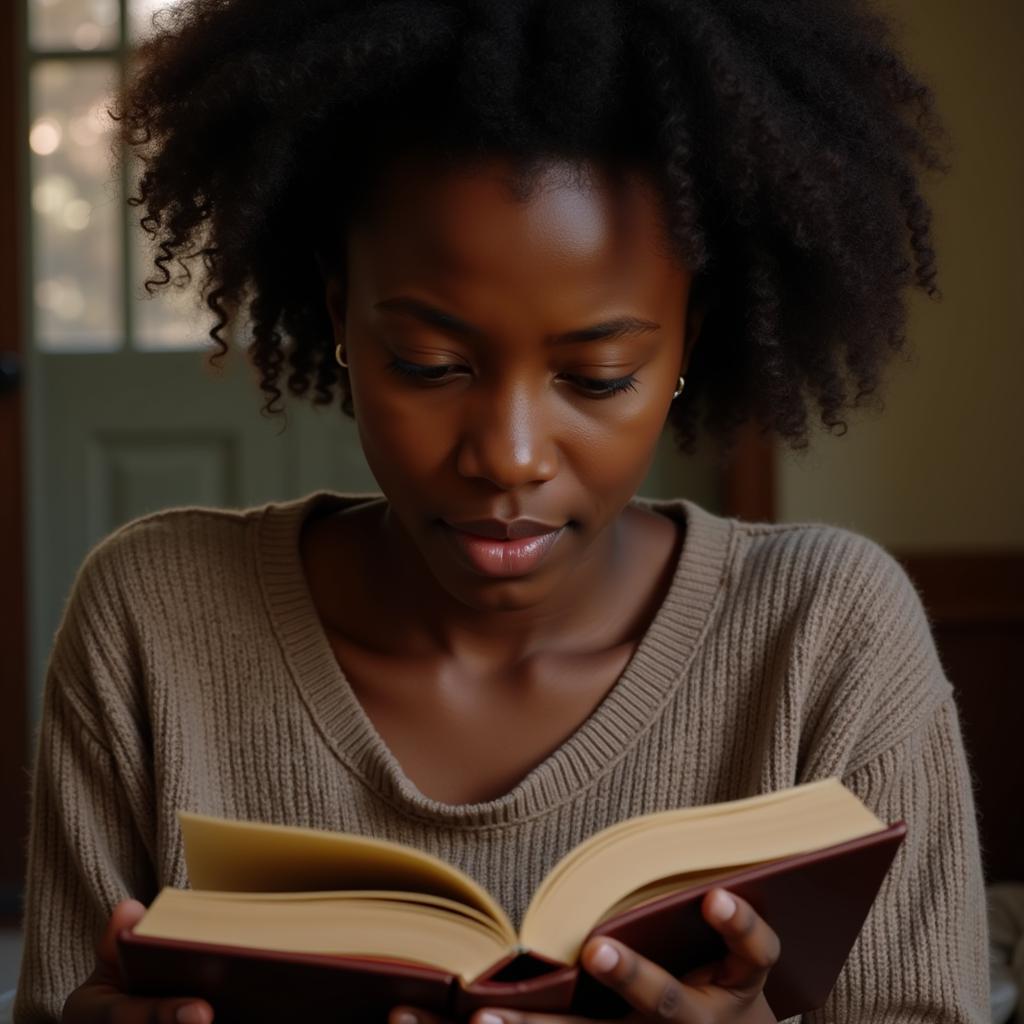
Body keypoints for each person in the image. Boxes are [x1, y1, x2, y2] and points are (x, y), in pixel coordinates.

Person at [13, 1, 989, 1022]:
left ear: (687, 342)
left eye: (598, 376)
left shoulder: (828, 639)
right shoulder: (150, 625)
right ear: (340, 313)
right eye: (429, 365)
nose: (506, 455)